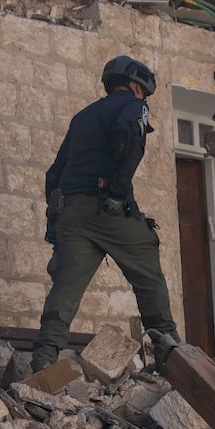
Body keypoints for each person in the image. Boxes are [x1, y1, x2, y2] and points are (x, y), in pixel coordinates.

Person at [30, 55, 180, 370]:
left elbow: (54, 174)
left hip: (72, 213)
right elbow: (129, 137)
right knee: (146, 264)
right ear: (137, 85)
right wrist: (116, 190)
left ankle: (44, 361)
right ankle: (169, 350)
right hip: (107, 209)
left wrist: (55, 223)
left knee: (65, 290)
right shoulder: (134, 107)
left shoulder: (82, 117)